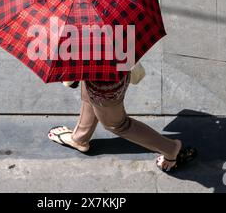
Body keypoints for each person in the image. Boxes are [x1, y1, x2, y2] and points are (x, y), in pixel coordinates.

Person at [48, 63, 197, 172]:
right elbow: (133, 64)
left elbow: (70, 81)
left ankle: (171, 149)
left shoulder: (77, 38)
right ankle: (80, 138)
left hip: (104, 89)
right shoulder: (117, 27)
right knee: (88, 97)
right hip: (117, 77)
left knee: (118, 125)